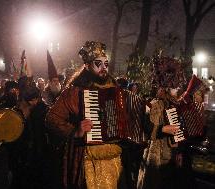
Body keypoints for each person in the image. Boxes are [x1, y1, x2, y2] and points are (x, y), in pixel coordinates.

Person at [46, 41, 146, 189]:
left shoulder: (116, 90)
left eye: (106, 64)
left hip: (116, 160)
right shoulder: (75, 91)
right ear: (87, 66)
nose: (103, 68)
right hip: (86, 161)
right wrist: (75, 131)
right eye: (98, 64)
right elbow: (51, 118)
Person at [137, 55, 207, 189]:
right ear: (167, 87)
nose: (178, 89)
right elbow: (144, 128)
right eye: (175, 86)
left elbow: (182, 132)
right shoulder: (155, 104)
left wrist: (180, 151)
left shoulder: (176, 104)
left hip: (172, 157)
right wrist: (163, 129)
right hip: (156, 156)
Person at [9, 78, 50, 189]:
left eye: (23, 102)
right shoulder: (20, 112)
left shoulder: (43, 112)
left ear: (34, 100)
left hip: (37, 157)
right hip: (24, 158)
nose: (20, 105)